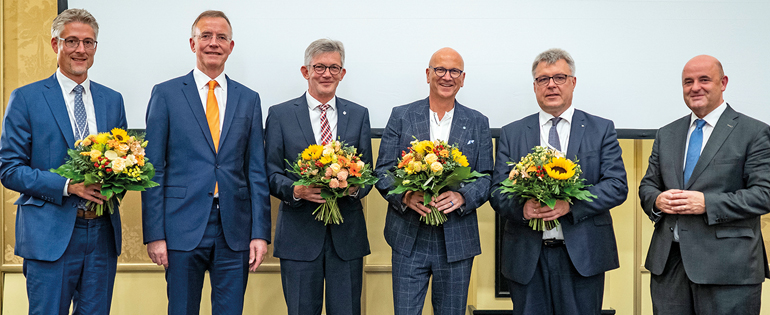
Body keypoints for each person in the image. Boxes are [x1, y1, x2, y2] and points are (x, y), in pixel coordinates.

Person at [141, 10, 271, 315]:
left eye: (221, 37)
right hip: (180, 227)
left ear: (231, 46)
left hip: (234, 229)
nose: (214, 43)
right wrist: (155, 234)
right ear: (192, 43)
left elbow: (255, 171)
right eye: (206, 36)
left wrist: (259, 233)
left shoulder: (248, 98)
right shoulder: (166, 94)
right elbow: (153, 170)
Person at [0, 8, 126, 315]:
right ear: (56, 45)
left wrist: (115, 184)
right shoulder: (26, 98)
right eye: (71, 41)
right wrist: (70, 186)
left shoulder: (113, 100)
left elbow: (123, 164)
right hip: (49, 237)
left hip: (101, 236)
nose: (80, 50)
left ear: (95, 47)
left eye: (88, 42)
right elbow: (10, 170)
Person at [489, 48, 628, 315]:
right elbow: (497, 191)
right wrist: (522, 209)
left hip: (582, 255)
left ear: (573, 82)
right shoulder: (512, 132)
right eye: (543, 79)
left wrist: (570, 205)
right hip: (528, 257)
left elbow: (616, 185)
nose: (551, 84)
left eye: (559, 77)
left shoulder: (601, 129)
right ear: (534, 87)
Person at [639, 55, 770, 314]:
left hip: (728, 268)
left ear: (723, 83)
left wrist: (706, 203)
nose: (695, 87)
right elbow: (647, 186)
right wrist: (656, 200)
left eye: (704, 80)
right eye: (688, 82)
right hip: (669, 266)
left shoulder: (753, 132)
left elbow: (764, 195)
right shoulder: (667, 133)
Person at [374, 47, 493, 315]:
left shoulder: (478, 122)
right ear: (428, 74)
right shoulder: (401, 116)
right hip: (408, 237)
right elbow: (382, 170)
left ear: (463, 78)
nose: (447, 77)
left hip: (457, 239)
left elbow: (487, 176)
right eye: (440, 70)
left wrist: (463, 197)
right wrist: (405, 196)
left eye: (454, 71)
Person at [265, 38, 372, 315]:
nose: (327, 74)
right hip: (298, 237)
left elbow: (368, 172)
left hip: (346, 238)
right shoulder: (280, 115)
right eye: (319, 67)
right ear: (306, 71)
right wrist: (296, 191)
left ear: (342, 73)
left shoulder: (359, 115)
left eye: (334, 68)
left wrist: (353, 187)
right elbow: (270, 171)